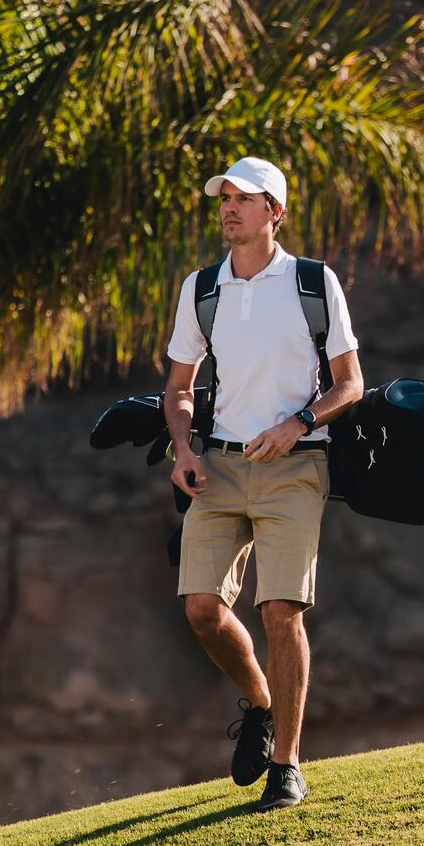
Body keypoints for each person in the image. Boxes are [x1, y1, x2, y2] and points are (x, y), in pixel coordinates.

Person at [163, 156, 364, 810]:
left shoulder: (312, 282)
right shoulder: (202, 289)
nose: (228, 207)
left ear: (275, 211)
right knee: (200, 609)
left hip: (295, 466)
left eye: (243, 198)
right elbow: (179, 388)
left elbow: (350, 382)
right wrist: (184, 448)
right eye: (223, 198)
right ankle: (258, 703)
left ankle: (287, 766)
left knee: (281, 613)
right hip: (216, 468)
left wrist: (297, 423)